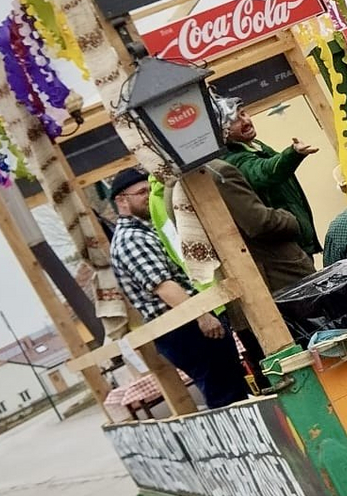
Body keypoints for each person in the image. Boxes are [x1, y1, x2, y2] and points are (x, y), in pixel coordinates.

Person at [105, 167, 249, 409]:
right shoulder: (131, 239)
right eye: (141, 192)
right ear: (121, 201)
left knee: (229, 384)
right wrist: (201, 315)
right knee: (223, 391)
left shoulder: (145, 230)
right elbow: (162, 286)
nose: (148, 196)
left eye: (149, 190)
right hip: (184, 327)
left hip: (186, 324)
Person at [221, 100, 320, 259]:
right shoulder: (233, 160)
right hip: (285, 249)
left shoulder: (255, 145)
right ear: (223, 131)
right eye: (235, 121)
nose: (245, 121)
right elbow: (265, 172)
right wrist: (293, 154)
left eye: (243, 113)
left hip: (299, 242)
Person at [204, 157, 317, 295]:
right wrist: (291, 219)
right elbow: (260, 223)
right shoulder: (219, 172)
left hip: (242, 281)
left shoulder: (182, 184)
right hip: (277, 274)